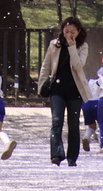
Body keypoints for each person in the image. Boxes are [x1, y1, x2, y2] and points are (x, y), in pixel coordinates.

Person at [36, 17, 91, 167]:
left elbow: (78, 65)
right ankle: (56, 154)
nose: (69, 35)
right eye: (66, 32)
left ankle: (72, 157)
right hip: (57, 89)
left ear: (79, 32)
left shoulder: (83, 46)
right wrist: (41, 84)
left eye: (72, 32)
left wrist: (72, 47)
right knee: (56, 121)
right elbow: (46, 66)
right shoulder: (55, 45)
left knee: (73, 124)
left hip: (75, 90)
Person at [80, 67, 101, 152]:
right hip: (97, 103)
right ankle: (102, 144)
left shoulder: (88, 81)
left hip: (86, 103)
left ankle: (86, 137)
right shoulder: (102, 83)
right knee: (102, 125)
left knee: (91, 126)